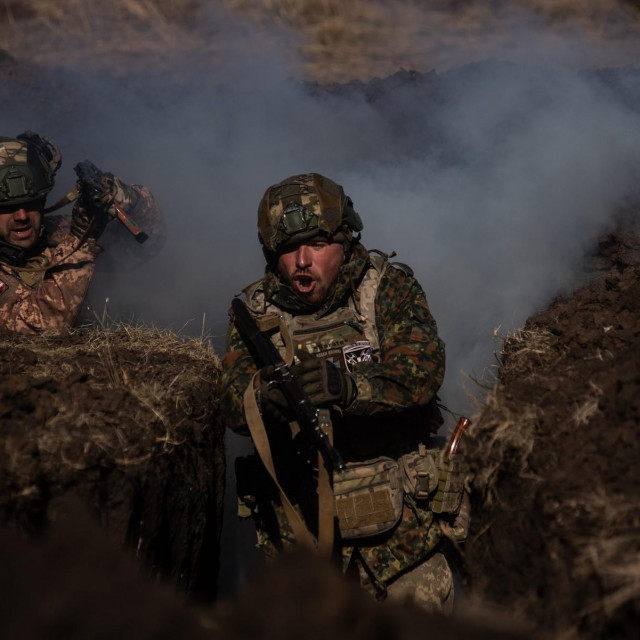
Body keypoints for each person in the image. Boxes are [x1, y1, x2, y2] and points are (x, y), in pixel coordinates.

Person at [220, 173, 469, 613]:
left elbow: (423, 371)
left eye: (316, 243)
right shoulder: (253, 316)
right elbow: (231, 401)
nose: (301, 260)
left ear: (345, 239)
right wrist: (266, 403)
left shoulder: (386, 289)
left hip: (405, 543)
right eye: (287, 248)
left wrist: (350, 388)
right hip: (304, 547)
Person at [0, 130, 164, 333]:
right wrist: (79, 243)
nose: (22, 216)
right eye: (6, 208)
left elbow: (148, 244)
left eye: (31, 203)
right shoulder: (75, 237)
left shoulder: (61, 232)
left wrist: (128, 197)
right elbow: (40, 327)